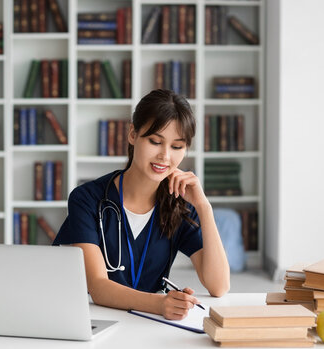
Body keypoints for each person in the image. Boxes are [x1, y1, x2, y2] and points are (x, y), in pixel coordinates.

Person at [53, 89, 230, 320]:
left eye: (177, 147)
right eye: (155, 141)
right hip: (85, 318)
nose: (165, 156)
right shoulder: (88, 199)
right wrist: (160, 304)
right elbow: (97, 287)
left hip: (143, 325)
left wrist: (204, 207)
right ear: (132, 134)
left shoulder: (181, 205)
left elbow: (219, 286)